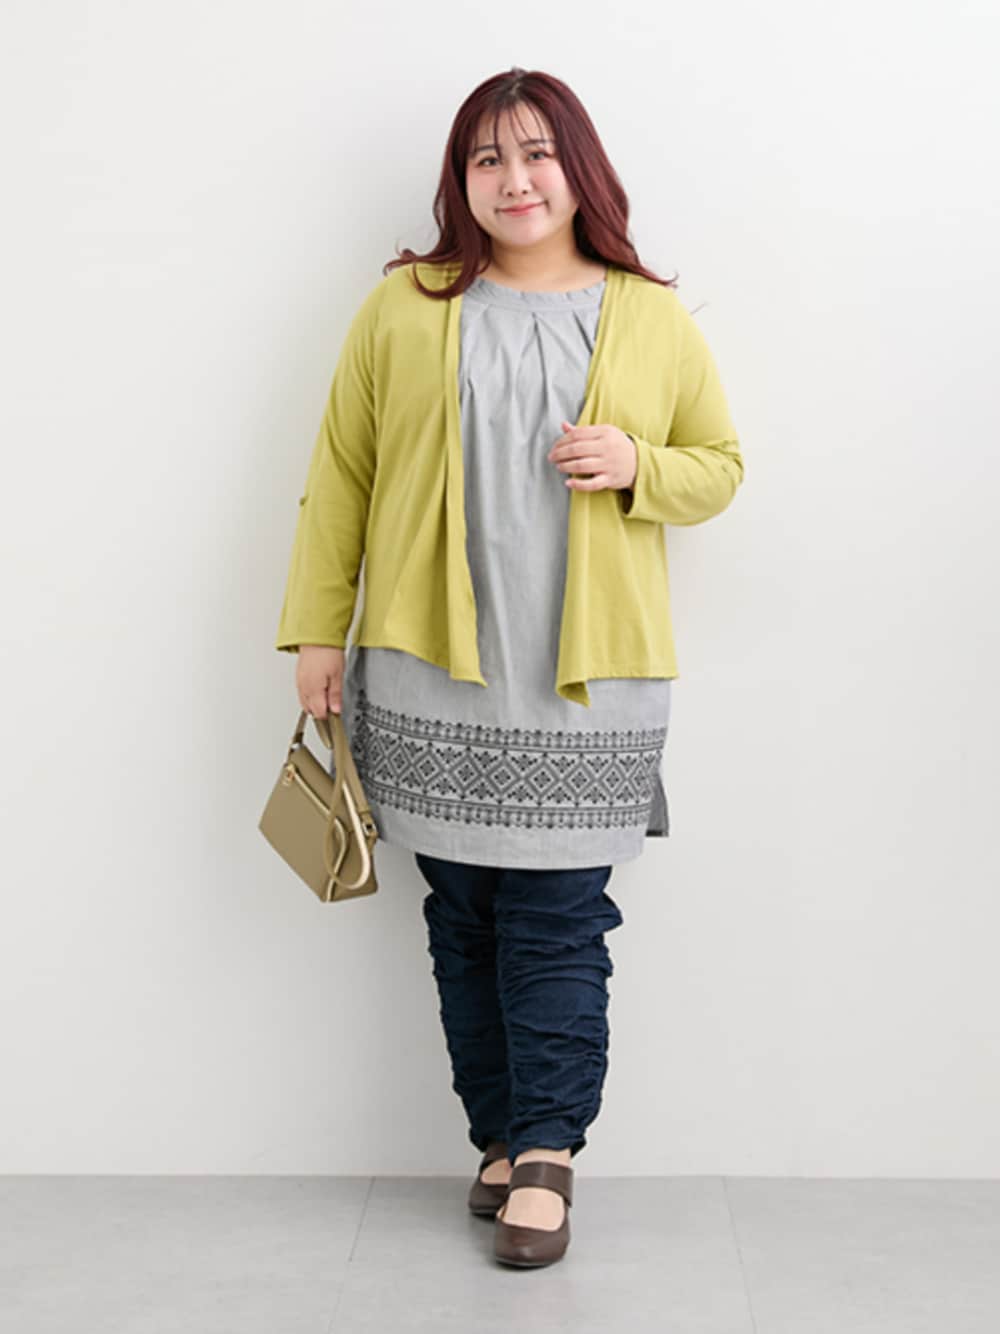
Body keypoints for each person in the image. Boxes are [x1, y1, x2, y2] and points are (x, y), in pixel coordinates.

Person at [274, 67, 744, 1268]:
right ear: (461, 180)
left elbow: (720, 465)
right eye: (487, 158)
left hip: (587, 680)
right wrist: (317, 628)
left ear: (578, 169)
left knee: (557, 916)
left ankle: (547, 1150)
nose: (514, 179)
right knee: (463, 916)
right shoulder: (402, 307)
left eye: (536, 153)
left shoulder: (648, 316)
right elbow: (342, 473)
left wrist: (639, 462)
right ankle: (496, 1136)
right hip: (427, 666)